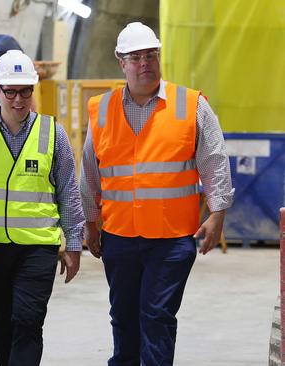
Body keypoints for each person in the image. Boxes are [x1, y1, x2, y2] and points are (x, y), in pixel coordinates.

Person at [80, 22, 234, 365]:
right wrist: (90, 222)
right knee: (123, 316)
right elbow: (90, 170)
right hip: (119, 235)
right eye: (136, 57)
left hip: (172, 237)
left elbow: (214, 159)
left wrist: (217, 213)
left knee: (156, 316)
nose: (145, 62)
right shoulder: (101, 110)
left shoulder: (190, 104)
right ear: (121, 62)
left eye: (151, 55)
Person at [0, 49, 85, 366]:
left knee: (27, 323)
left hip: (38, 249)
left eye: (26, 91)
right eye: (11, 92)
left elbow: (69, 193)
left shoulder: (53, 134)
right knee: (1, 327)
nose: (19, 100)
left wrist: (74, 244)